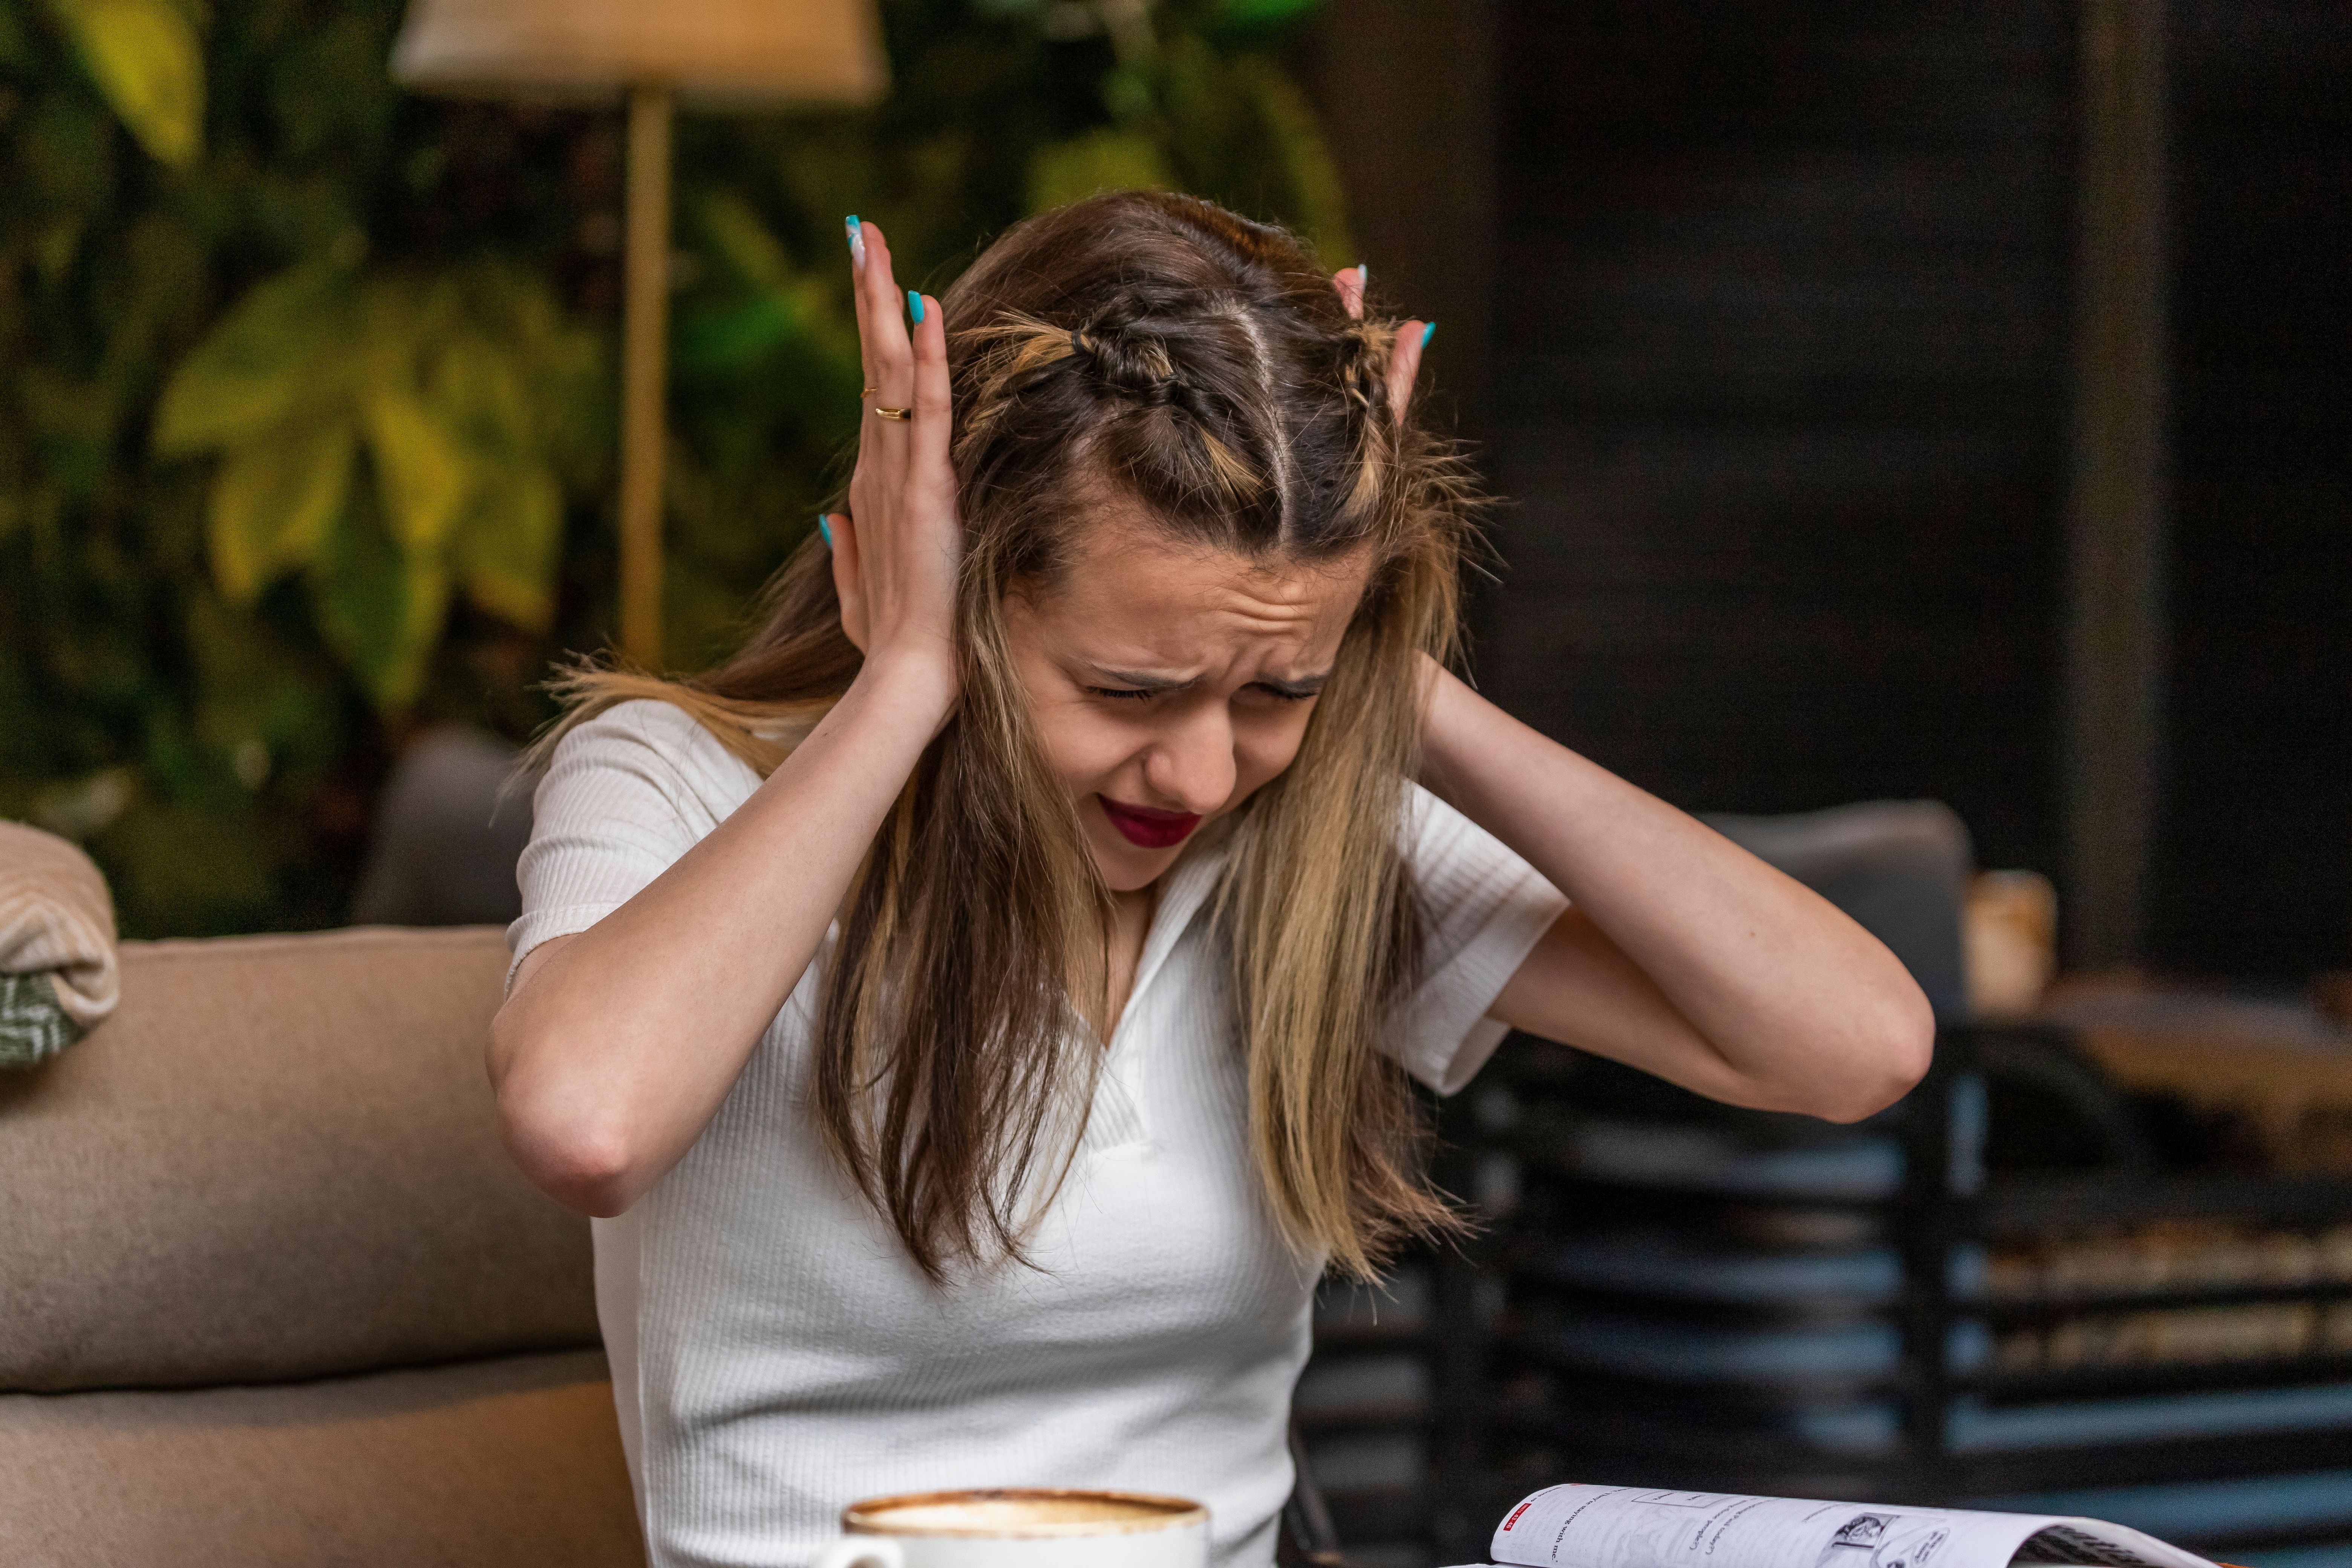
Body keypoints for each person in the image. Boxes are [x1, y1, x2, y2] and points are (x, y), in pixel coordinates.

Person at [490, 191, 1933, 1568]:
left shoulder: (1300, 842)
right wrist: (908, 680)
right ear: (960, 573)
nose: (1195, 775)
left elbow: (1854, 1046)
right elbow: (587, 1126)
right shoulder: (677, 780)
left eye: (1271, 694)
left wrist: (1373, 662)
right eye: (1128, 689)